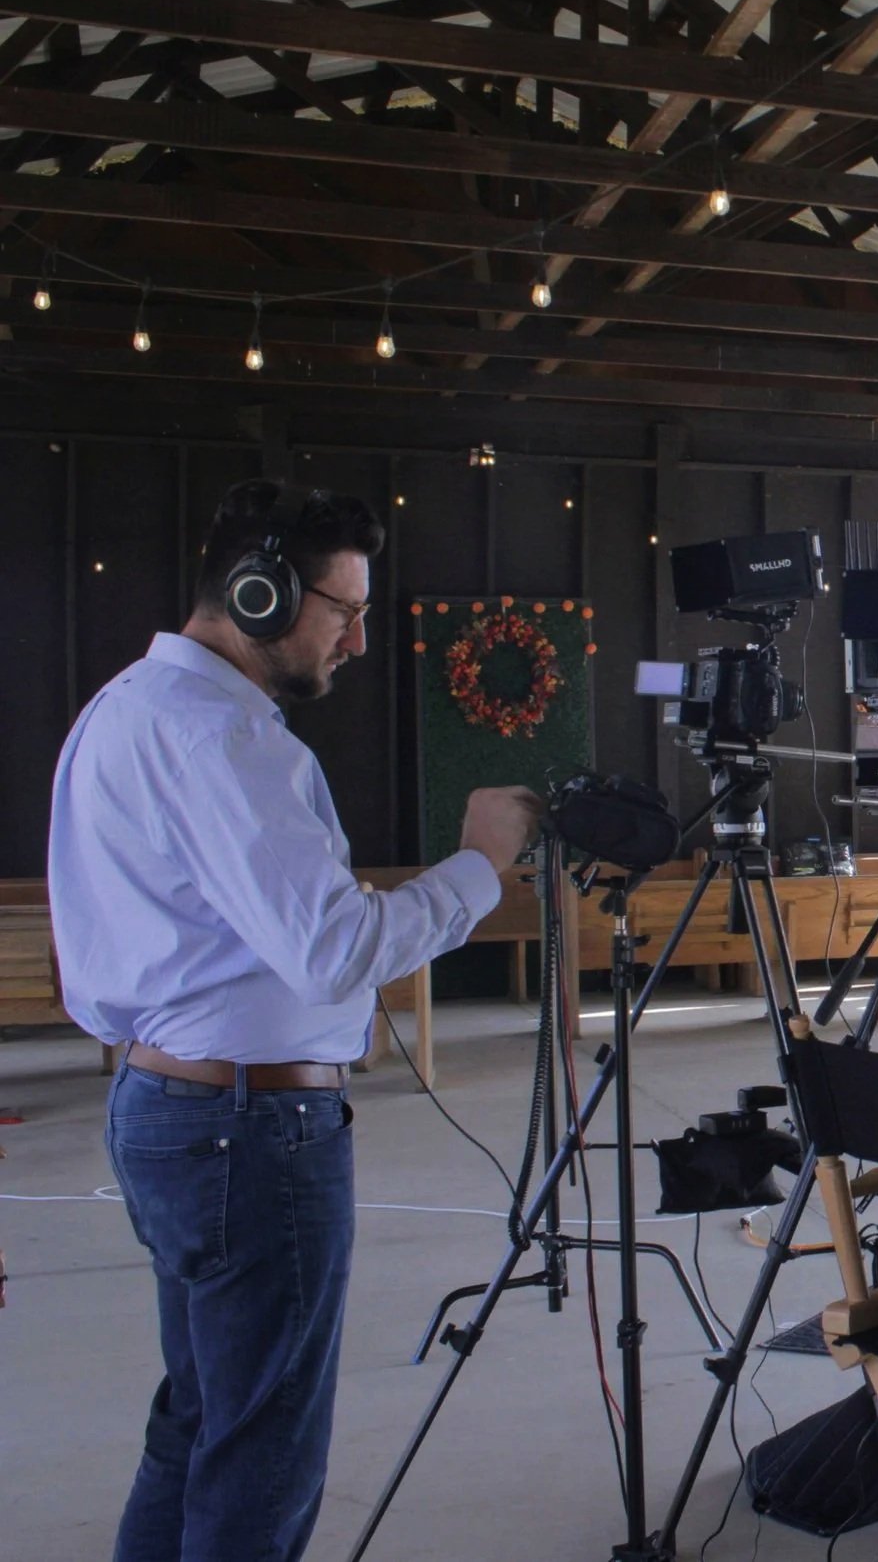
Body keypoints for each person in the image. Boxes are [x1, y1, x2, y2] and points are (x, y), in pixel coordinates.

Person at [49, 480, 544, 1562]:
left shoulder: (123, 708)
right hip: (247, 1132)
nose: (359, 639)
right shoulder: (222, 737)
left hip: (168, 1106)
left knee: (200, 1419)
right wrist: (479, 863)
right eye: (344, 608)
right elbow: (334, 948)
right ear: (259, 593)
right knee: (262, 1446)